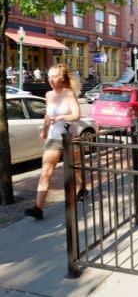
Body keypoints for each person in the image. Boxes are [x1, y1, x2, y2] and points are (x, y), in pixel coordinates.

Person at [24, 63, 82, 220]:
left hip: (70, 138)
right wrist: (44, 129)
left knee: (76, 170)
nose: (50, 79)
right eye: (48, 76)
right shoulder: (49, 95)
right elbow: (48, 115)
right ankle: (38, 209)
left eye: (54, 76)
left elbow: (76, 115)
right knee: (45, 173)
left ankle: (82, 188)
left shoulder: (69, 93)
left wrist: (62, 117)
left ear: (62, 78)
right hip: (53, 139)